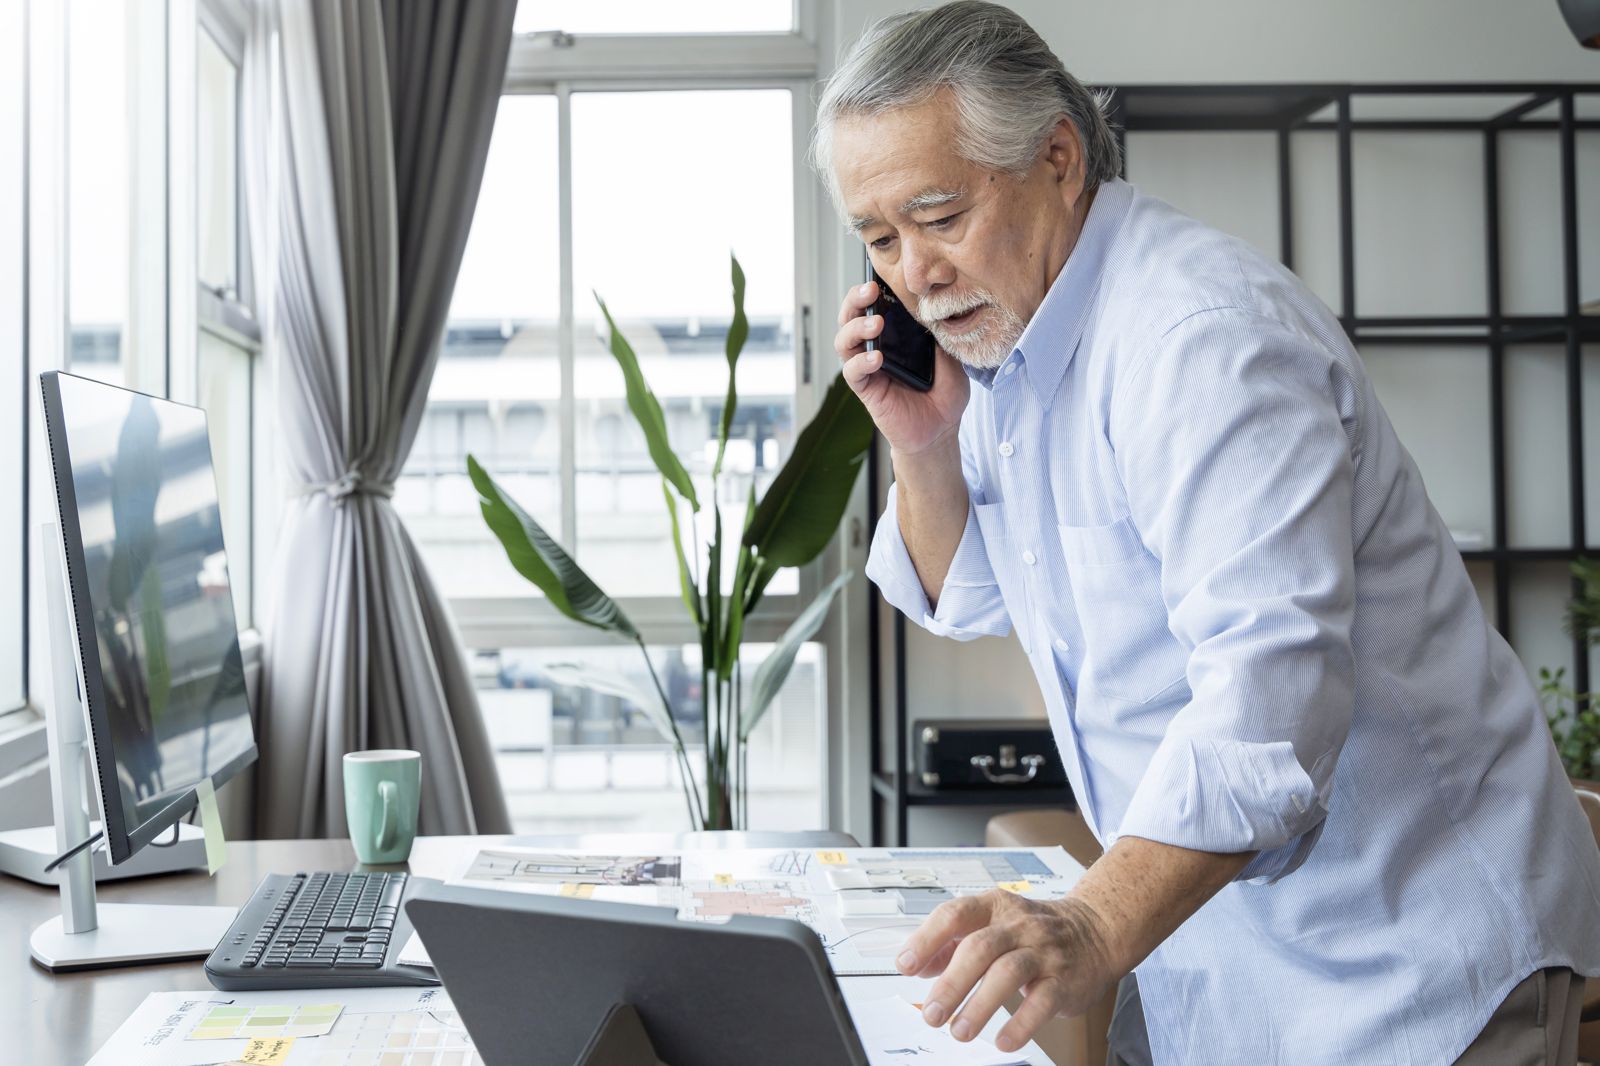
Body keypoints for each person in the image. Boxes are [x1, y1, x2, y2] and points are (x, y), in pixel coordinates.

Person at [816, 3, 1600, 1063]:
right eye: (879, 239)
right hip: (1212, 960)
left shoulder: (1202, 343)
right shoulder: (1012, 346)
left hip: (1406, 970)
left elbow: (1265, 710)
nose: (914, 272)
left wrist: (1092, 920)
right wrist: (922, 442)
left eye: (939, 216)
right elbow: (972, 594)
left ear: (1056, 158)